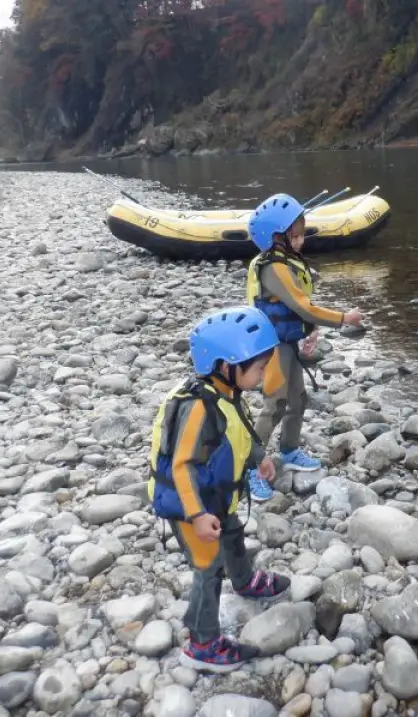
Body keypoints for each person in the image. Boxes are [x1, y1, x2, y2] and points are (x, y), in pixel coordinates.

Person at [147, 305, 291, 672]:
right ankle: (202, 643)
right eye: (258, 367)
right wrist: (196, 515)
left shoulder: (225, 392)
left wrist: (259, 455)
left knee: (233, 534)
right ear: (226, 365)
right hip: (189, 504)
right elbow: (182, 465)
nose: (262, 375)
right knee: (208, 569)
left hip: (216, 496)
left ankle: (243, 580)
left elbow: (239, 428)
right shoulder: (198, 407)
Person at [244, 193, 364, 500]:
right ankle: (250, 467)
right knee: (275, 404)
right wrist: (342, 319)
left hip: (287, 341)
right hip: (272, 346)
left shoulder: (288, 261)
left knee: (297, 399)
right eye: (293, 237)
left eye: (301, 235)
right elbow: (302, 306)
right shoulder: (273, 267)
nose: (299, 242)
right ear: (275, 238)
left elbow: (297, 307)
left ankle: (289, 450)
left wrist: (310, 331)